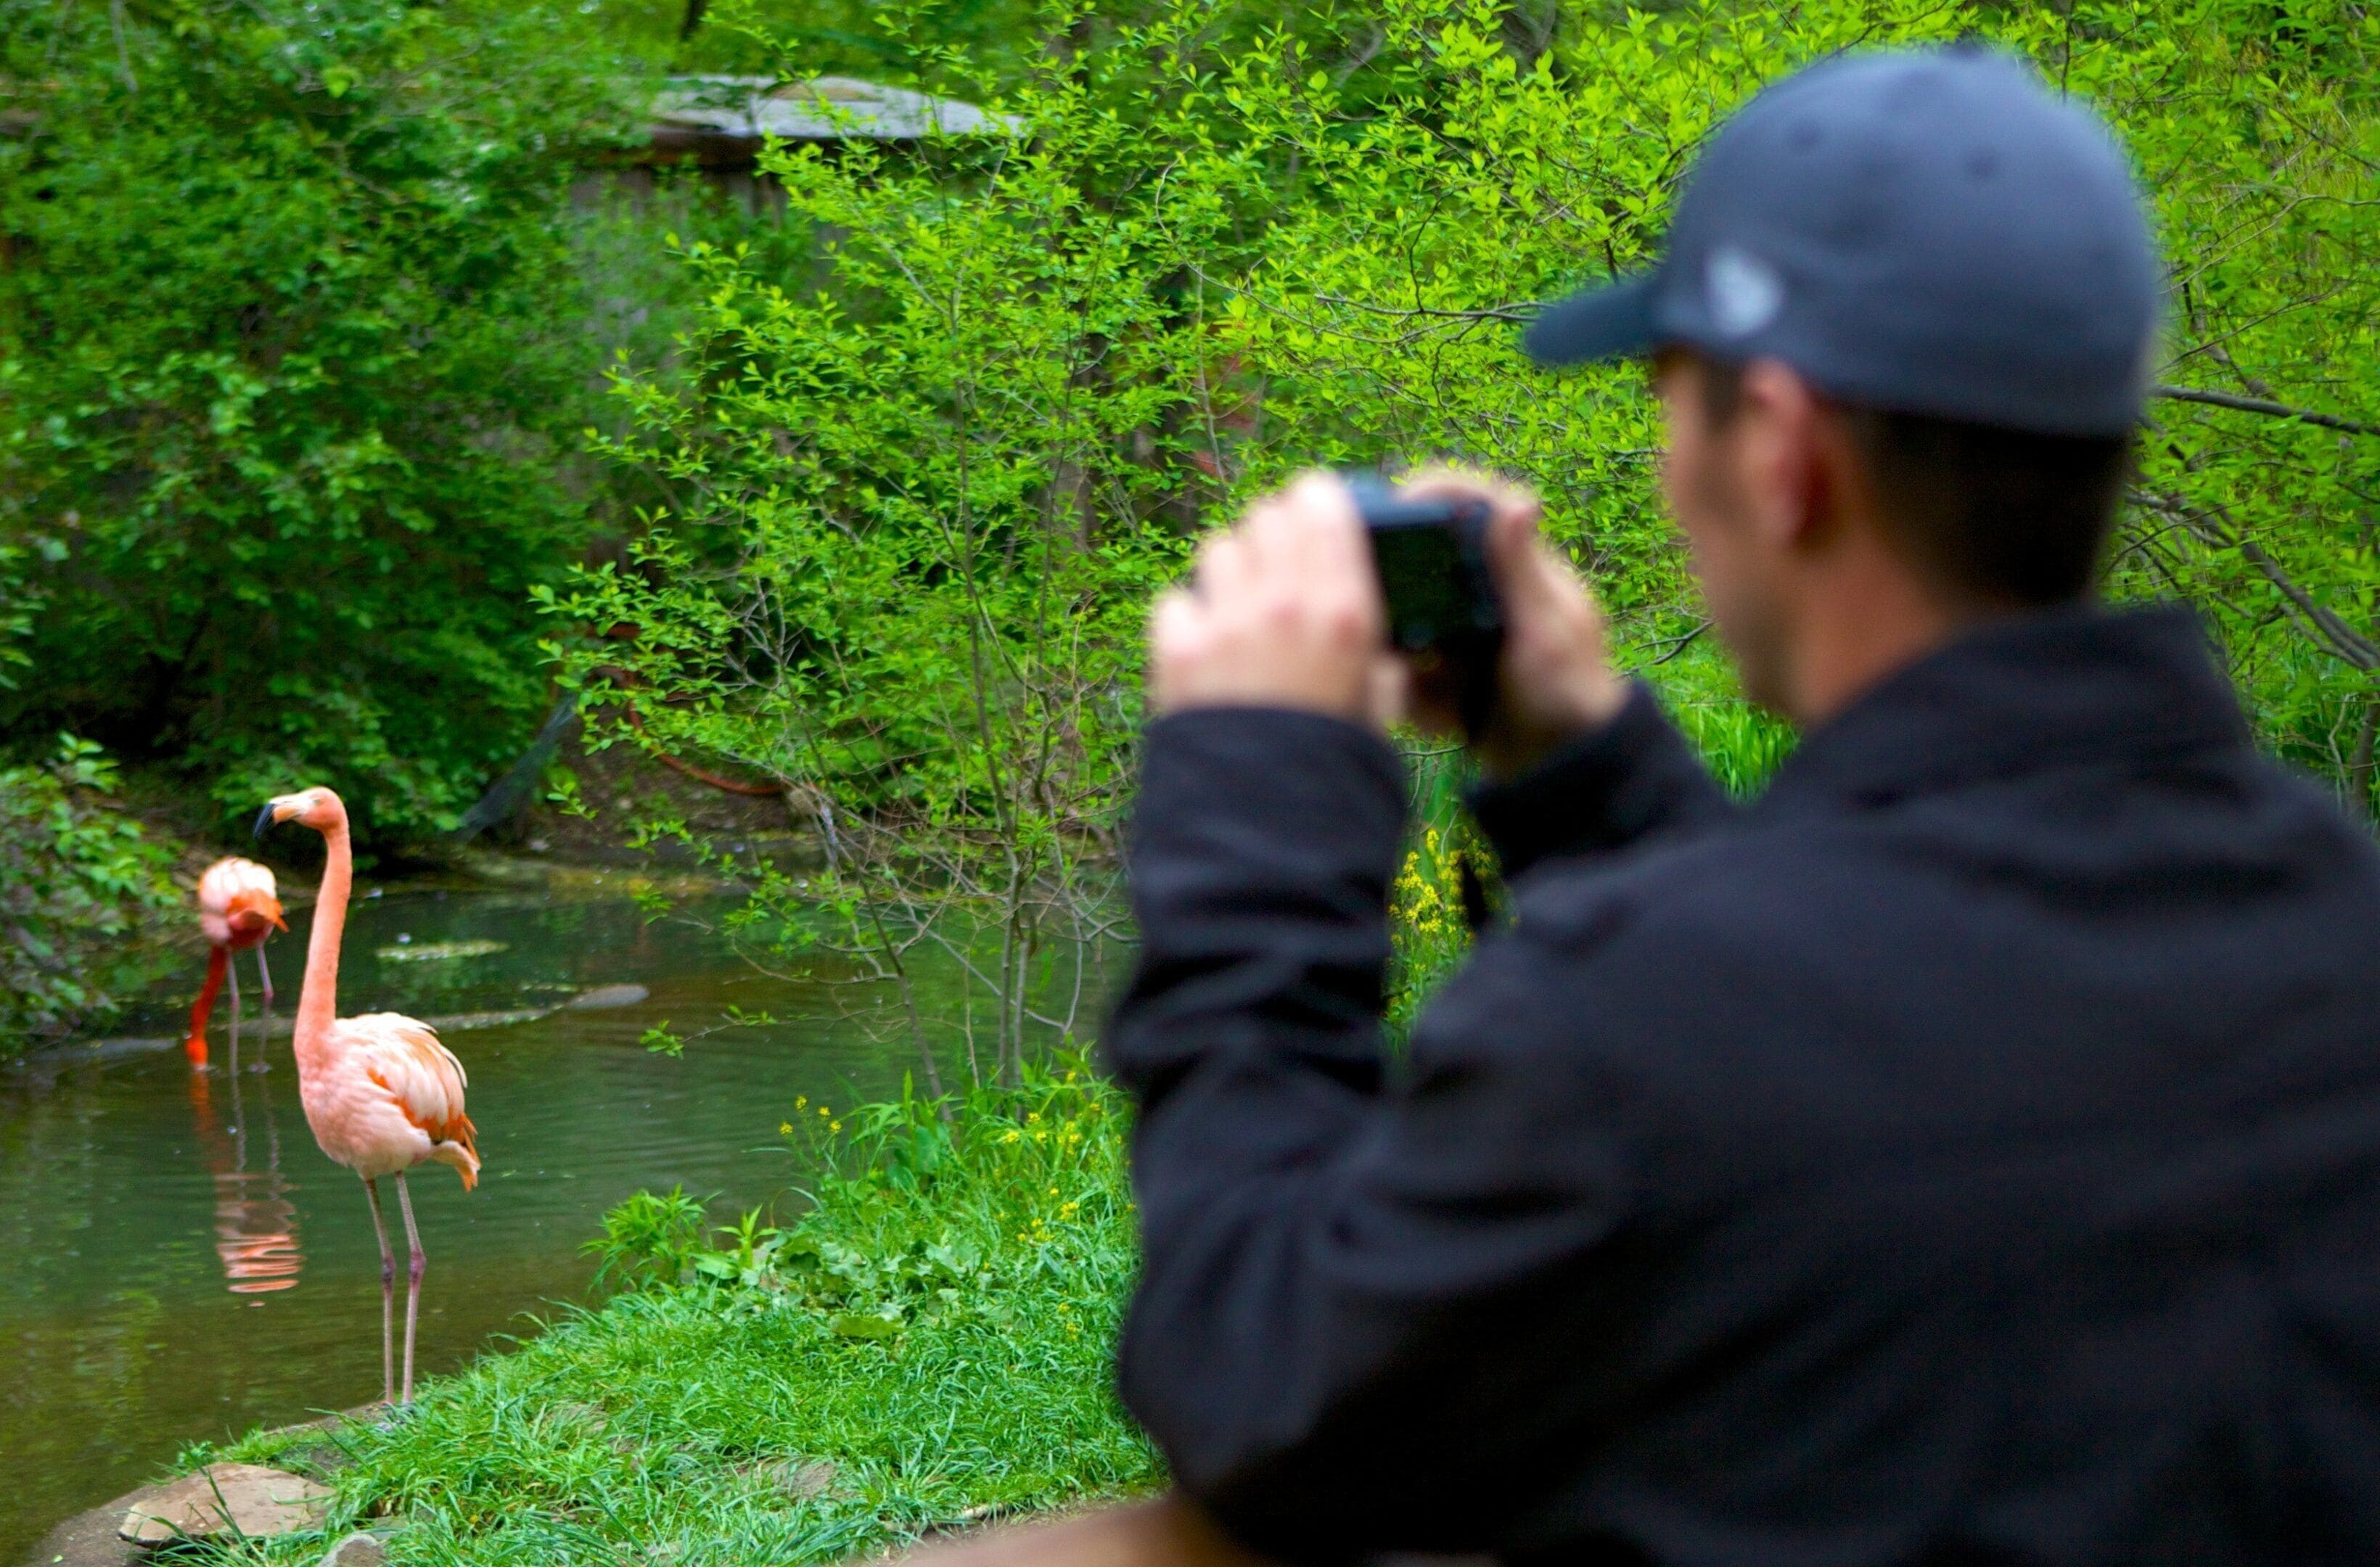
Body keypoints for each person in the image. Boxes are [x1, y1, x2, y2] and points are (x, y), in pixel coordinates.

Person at [904, 43, 2380, 1567]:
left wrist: (1265, 798)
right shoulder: (2332, 915)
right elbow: (1879, 1027)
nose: (1669, 468)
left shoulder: (1636, 1031)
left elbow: (1257, 1391)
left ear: (1791, 456)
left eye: (1674, 404)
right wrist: (1586, 774)